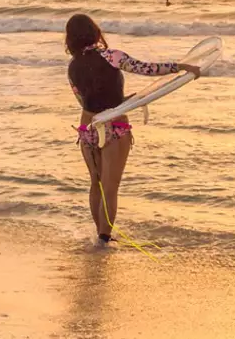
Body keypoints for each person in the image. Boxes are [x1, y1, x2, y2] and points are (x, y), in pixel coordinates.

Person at [65, 14, 200, 244]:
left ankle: (100, 237)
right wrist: (180, 67)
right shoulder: (111, 56)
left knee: (95, 183)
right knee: (110, 186)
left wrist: (126, 99)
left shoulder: (72, 67)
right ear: (95, 32)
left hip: (88, 128)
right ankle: (104, 239)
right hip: (115, 126)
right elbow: (146, 68)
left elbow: (86, 102)